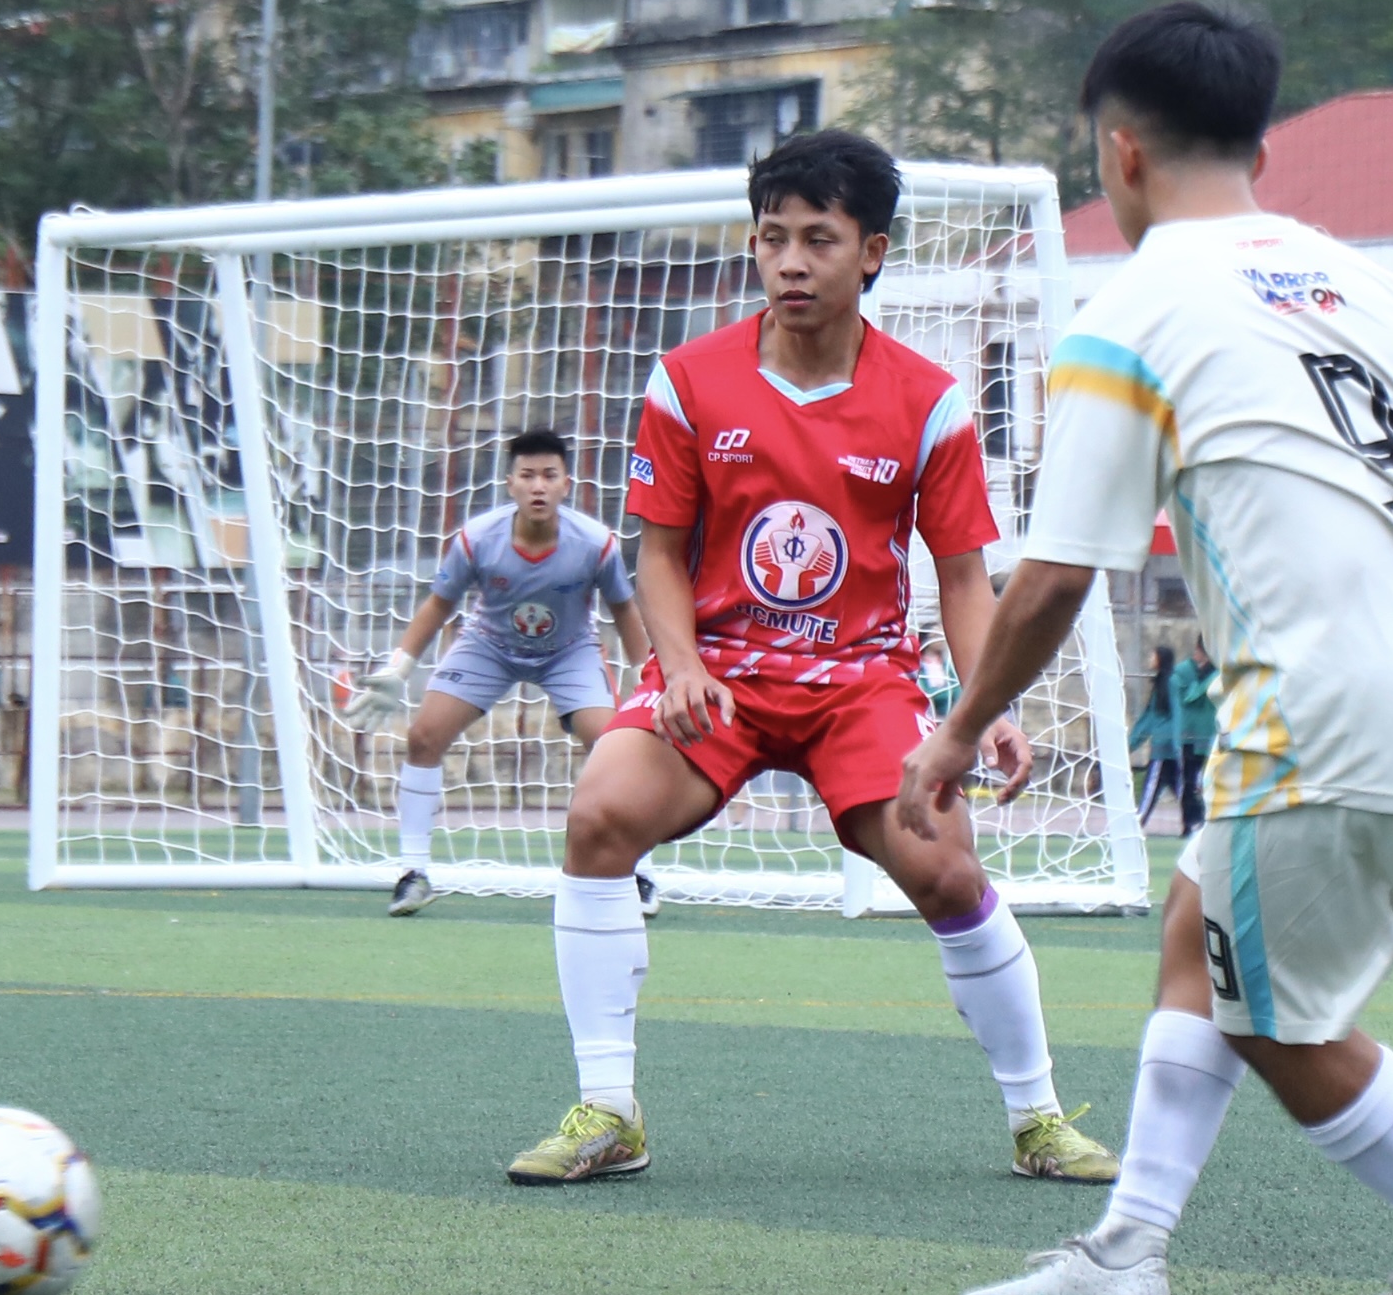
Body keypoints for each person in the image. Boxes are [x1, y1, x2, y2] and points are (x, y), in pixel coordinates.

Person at [904, 1, 1393, 1295]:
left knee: (1277, 1023)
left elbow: (1054, 577)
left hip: (1312, 710)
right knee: (1194, 938)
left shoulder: (1129, 315)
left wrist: (958, 730)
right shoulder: (1371, 286)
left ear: (1119, 149)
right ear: (1259, 146)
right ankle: (1124, 1254)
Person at [504, 127, 1117, 1189]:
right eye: (772, 237)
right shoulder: (687, 382)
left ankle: (1038, 1118)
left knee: (946, 870)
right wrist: (679, 667)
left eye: (818, 240)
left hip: (862, 686)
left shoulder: (929, 400)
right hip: (719, 678)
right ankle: (609, 1110)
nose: (790, 261)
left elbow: (963, 580)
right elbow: (658, 555)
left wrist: (986, 708)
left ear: (870, 252)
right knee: (599, 811)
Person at [341, 427, 652, 919]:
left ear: (566, 484)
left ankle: (638, 874)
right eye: (527, 475)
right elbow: (439, 604)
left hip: (568, 651)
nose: (538, 486)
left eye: (549, 475)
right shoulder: (478, 539)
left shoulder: (596, 544)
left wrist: (645, 675)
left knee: (612, 747)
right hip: (489, 646)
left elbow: (624, 609)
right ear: (510, 484)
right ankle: (413, 873)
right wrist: (400, 667)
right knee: (423, 736)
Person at [1129, 643, 1187, 833]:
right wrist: (1130, 744)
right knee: (1180, 791)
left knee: (1151, 788)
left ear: (1161, 659)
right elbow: (1149, 719)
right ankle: (1197, 823)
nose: (1149, 659)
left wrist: (1178, 746)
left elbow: (1178, 713)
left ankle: (1135, 827)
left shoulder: (1172, 682)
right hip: (1164, 749)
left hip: (1165, 750)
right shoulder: (1159, 684)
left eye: (1152, 656)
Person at [1170, 638, 1217, 833]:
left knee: (1209, 779)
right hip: (1189, 735)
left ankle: (1206, 820)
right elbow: (1188, 697)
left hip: (1211, 735)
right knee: (1189, 781)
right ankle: (1189, 822)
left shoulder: (1219, 671)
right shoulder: (1183, 671)